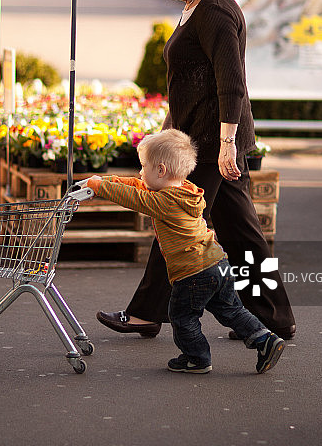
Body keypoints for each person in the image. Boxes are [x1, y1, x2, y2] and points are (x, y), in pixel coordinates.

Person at [97, 0, 296, 341]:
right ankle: (274, 317)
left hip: (211, 143)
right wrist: (168, 130)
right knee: (241, 232)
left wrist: (227, 145)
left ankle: (145, 313)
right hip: (197, 138)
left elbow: (231, 84)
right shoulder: (195, 3)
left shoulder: (217, 10)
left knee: (173, 213)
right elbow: (193, 79)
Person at [88, 129, 285, 374]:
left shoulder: (165, 202)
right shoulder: (183, 189)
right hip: (217, 263)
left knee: (182, 317)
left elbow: (134, 198)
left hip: (193, 273)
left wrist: (100, 187)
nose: (140, 172)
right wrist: (104, 182)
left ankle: (197, 358)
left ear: (160, 171)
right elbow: (138, 186)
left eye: (143, 166)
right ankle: (264, 338)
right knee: (231, 310)